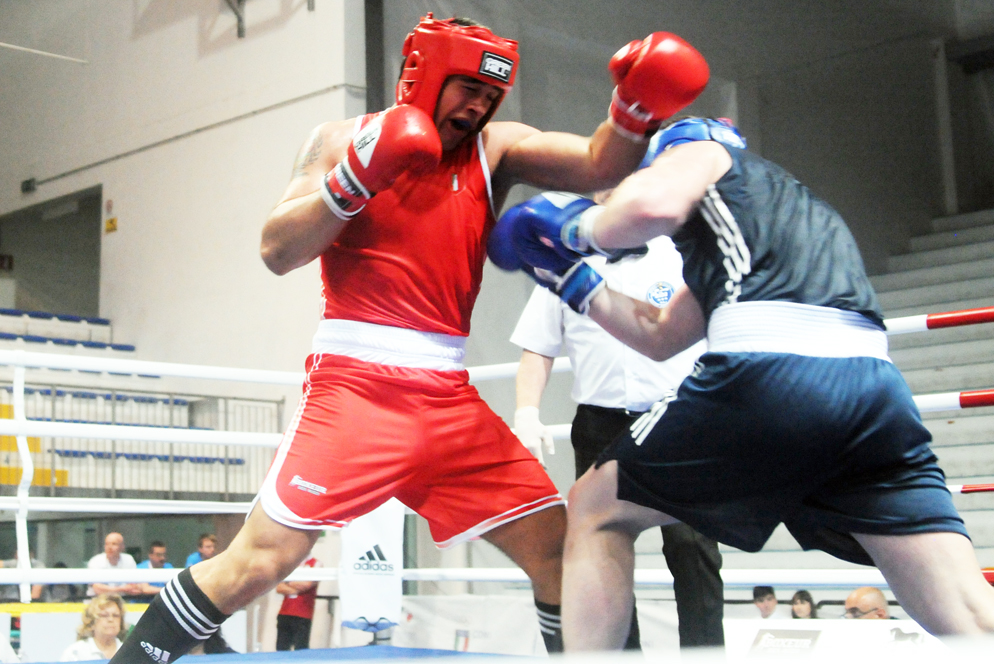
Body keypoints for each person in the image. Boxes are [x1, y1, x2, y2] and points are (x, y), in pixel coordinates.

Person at [108, 15, 709, 663]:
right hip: (355, 390)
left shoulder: (496, 148)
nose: (479, 104)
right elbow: (277, 250)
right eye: (467, 87)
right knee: (260, 561)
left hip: (450, 400)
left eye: (490, 94)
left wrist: (632, 109)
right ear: (423, 76)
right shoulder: (340, 139)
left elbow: (597, 165)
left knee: (560, 552)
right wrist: (354, 179)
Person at [494, 116, 994, 649]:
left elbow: (650, 207)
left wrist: (574, 228)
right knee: (963, 602)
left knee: (595, 509)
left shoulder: (702, 153)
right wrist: (573, 278)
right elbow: (660, 336)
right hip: (875, 394)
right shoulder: (774, 218)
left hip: (768, 374)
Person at [510, 236, 723, 648]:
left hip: (679, 419)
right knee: (602, 550)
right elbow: (537, 346)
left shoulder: (682, 252)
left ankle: (707, 655)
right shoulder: (562, 259)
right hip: (599, 425)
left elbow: (720, 332)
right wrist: (526, 413)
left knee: (692, 548)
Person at [60, 593, 128, 661]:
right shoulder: (75, 653)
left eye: (115, 615)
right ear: (91, 623)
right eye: (104, 615)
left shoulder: (128, 651)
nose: (111, 619)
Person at [275, 555, 321, 651]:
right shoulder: (290, 563)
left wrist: (288, 582)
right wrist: (295, 586)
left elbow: (307, 584)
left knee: (301, 647)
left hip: (303, 613)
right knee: (281, 647)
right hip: (285, 612)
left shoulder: (315, 564)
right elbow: (279, 587)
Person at [87, 532, 140, 599]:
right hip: (98, 602)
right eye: (107, 544)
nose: (110, 547)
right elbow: (97, 589)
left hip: (123, 601)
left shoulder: (129, 559)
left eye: (114, 544)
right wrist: (123, 589)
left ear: (122, 546)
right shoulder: (95, 561)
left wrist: (108, 589)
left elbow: (134, 588)